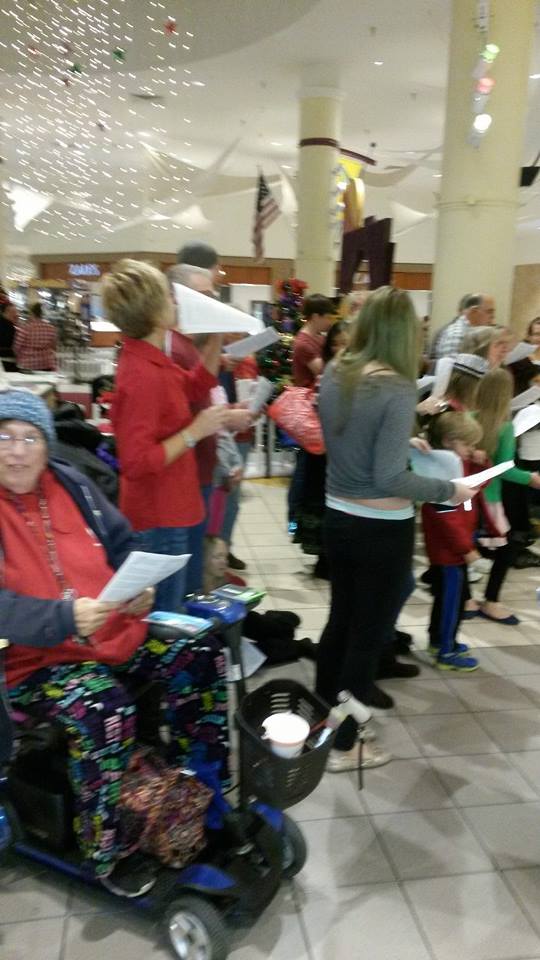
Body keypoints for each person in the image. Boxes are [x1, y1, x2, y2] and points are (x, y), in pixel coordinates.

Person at [1, 389, 229, 896]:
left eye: (29, 438)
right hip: (31, 661)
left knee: (200, 652)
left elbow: (123, 543)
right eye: (4, 437)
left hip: (107, 631)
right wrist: (65, 617)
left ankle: (199, 784)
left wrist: (137, 586)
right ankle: (104, 850)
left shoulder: (72, 483)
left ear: (47, 446)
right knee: (105, 708)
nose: (16, 451)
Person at [316, 287, 476, 773]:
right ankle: (346, 744)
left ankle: (325, 722)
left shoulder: (337, 369)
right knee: (366, 638)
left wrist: (399, 441)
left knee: (340, 624)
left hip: (339, 518)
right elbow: (390, 479)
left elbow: (348, 440)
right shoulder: (395, 386)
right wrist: (450, 489)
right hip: (380, 530)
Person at [105, 260, 228, 611]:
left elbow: (195, 385)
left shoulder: (153, 360)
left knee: (172, 612)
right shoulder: (142, 374)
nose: (175, 302)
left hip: (171, 510)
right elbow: (136, 462)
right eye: (167, 297)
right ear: (153, 311)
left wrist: (217, 334)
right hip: (157, 518)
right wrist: (194, 431)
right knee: (164, 619)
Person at [166, 261, 252, 590]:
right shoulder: (170, 349)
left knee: (193, 566)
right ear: (175, 297)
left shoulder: (186, 344)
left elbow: (201, 389)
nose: (210, 302)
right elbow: (181, 417)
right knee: (181, 581)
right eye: (202, 295)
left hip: (198, 471)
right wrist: (226, 417)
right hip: (182, 478)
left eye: (212, 295)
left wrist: (216, 335)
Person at [467, 368, 540, 621]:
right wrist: (531, 478)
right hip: (491, 499)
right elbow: (505, 469)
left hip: (465, 497)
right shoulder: (505, 428)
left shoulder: (467, 419)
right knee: (508, 548)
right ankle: (491, 600)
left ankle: (466, 600)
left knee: (464, 547)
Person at [421, 412, 492, 670]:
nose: (472, 449)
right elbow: (445, 517)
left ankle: (438, 641)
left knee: (447, 600)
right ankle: (446, 651)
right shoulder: (440, 473)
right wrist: (466, 549)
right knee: (451, 604)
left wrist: (480, 464)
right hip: (450, 553)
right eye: (468, 444)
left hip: (453, 549)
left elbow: (476, 487)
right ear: (449, 441)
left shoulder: (455, 464)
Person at [506, 317, 540, 567]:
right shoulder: (521, 364)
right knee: (526, 479)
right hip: (526, 429)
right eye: (535, 334)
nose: (539, 339)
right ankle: (521, 534)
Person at [430, 293, 496, 360]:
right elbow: (454, 366)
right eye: (489, 312)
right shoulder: (458, 335)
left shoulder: (470, 333)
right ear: (474, 311)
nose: (493, 316)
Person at [14, 302, 57, 371]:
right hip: (46, 364)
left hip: (27, 365)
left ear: (32, 313)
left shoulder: (25, 328)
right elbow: (53, 347)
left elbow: (16, 347)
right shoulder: (51, 328)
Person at [0, 300, 19, 372]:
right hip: (6, 361)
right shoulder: (9, 327)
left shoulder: (10, 325)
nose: (16, 314)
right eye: (14, 312)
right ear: (6, 312)